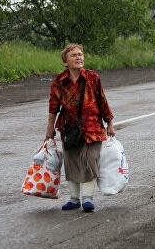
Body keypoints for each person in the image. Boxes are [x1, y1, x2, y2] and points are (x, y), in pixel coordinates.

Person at [46, 44, 115, 212]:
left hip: (93, 127)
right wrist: (50, 128)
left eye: (80, 54)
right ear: (65, 62)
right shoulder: (59, 81)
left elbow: (102, 101)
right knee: (72, 162)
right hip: (69, 129)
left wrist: (109, 123)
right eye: (74, 55)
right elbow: (53, 106)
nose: (79, 57)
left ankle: (88, 198)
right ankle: (74, 199)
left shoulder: (92, 77)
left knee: (90, 160)